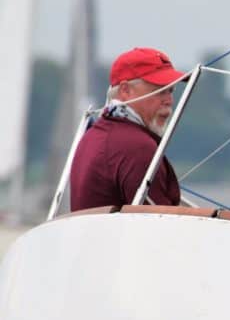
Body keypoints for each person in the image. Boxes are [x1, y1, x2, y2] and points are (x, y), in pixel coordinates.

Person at [70, 47, 186, 211]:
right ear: (125, 90)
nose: (169, 100)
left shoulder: (92, 135)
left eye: (171, 90)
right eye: (160, 90)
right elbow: (161, 223)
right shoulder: (137, 146)